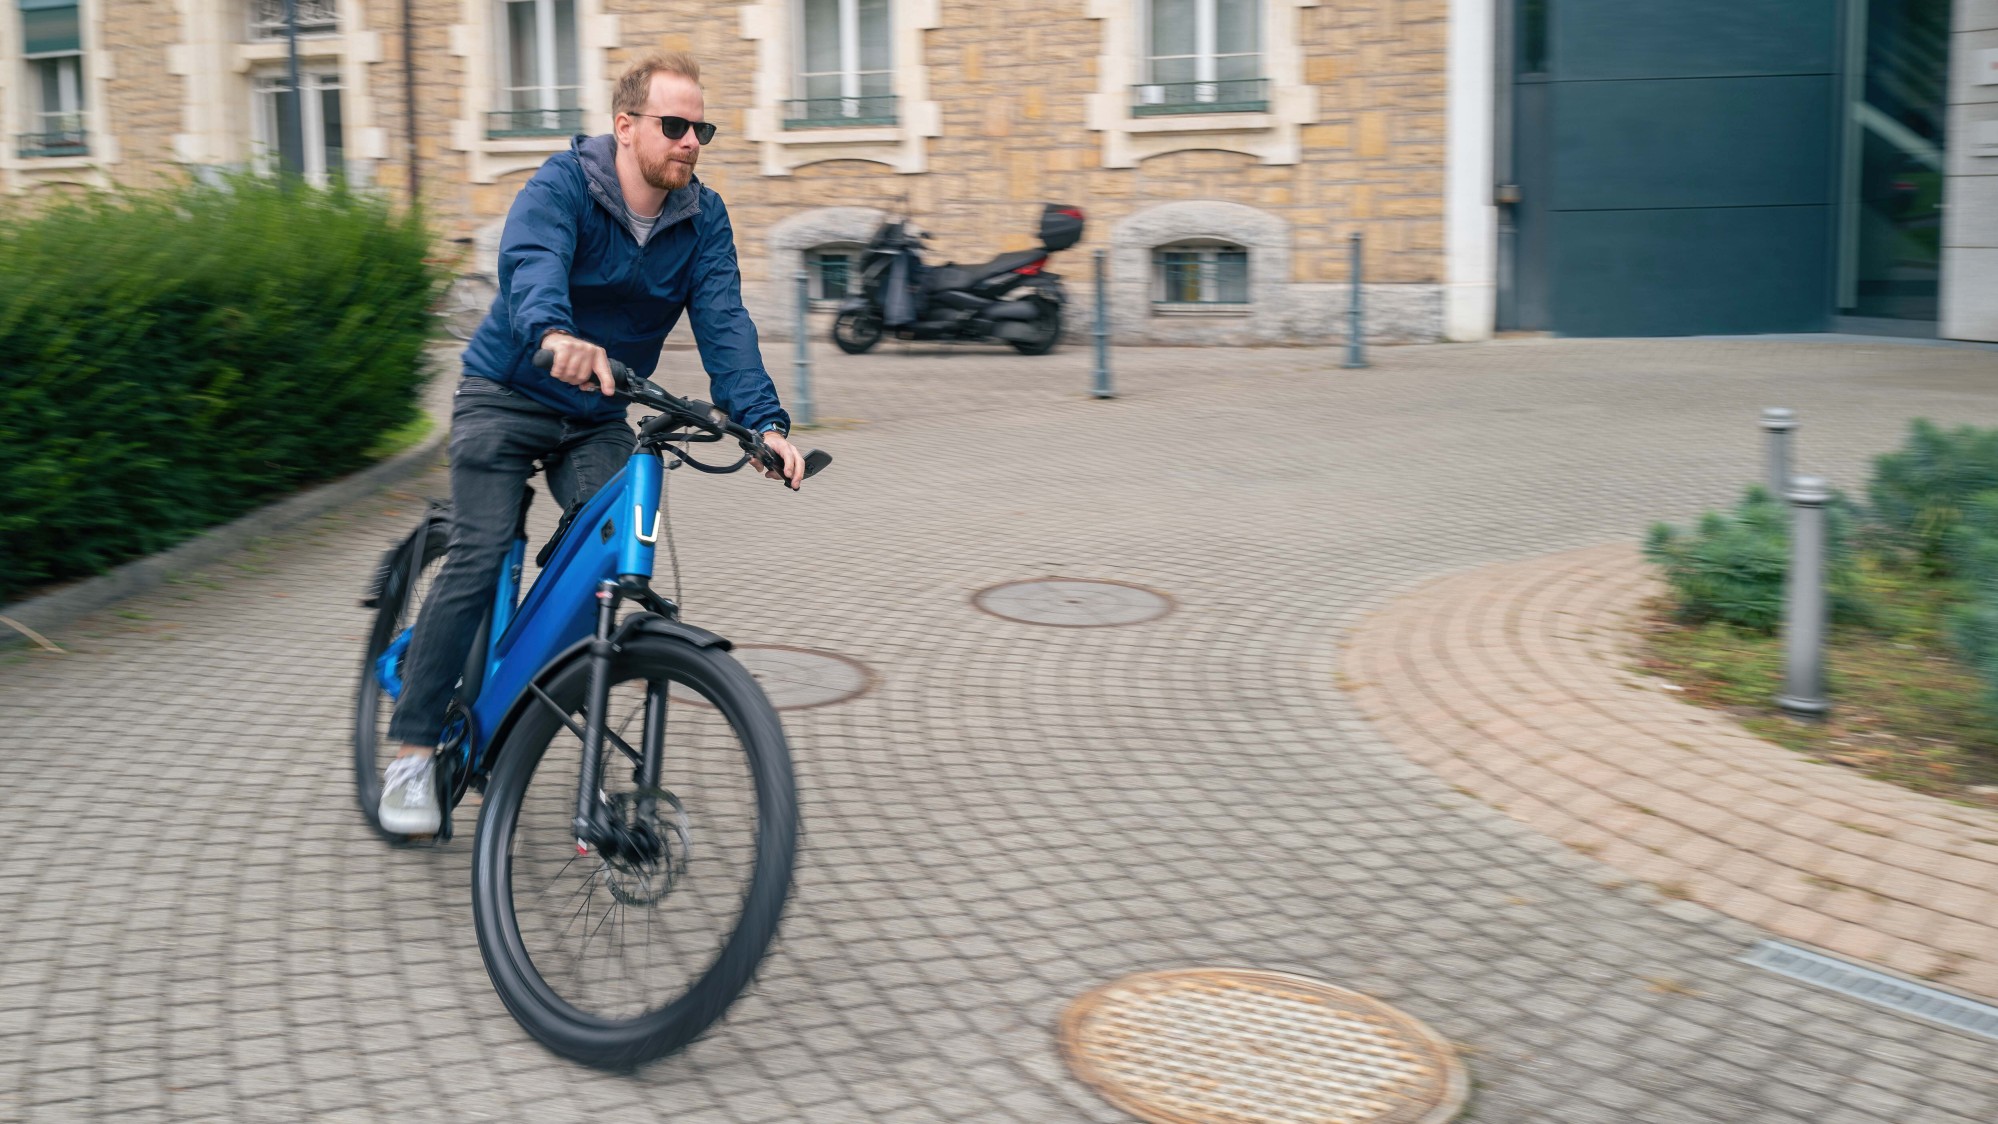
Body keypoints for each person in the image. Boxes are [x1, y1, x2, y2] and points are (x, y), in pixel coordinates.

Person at [378, 51, 805, 834]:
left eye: (700, 128)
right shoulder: (563, 184)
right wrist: (552, 332)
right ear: (626, 126)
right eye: (674, 126)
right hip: (507, 392)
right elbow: (531, 263)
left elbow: (725, 322)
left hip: (599, 412)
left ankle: (549, 704)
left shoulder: (701, 218)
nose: (690, 142)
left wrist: (763, 426)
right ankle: (409, 754)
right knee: (479, 553)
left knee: (607, 557)